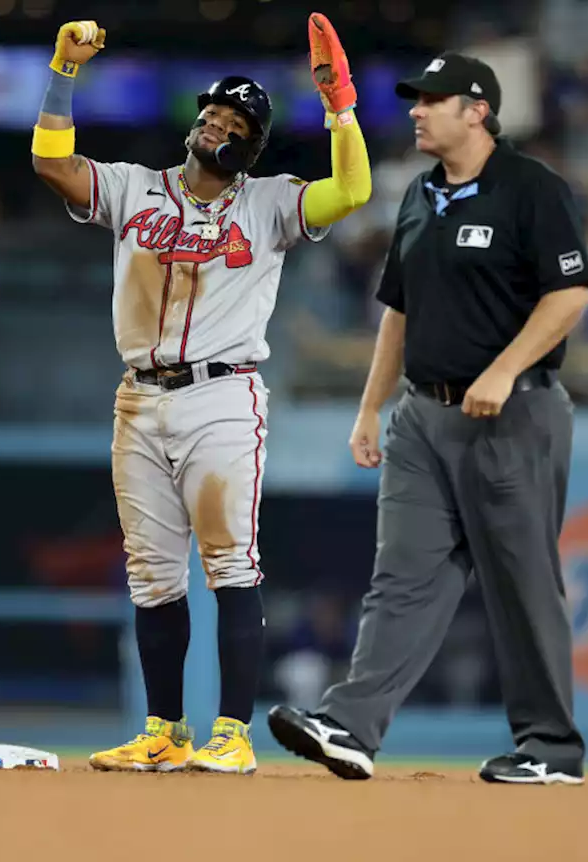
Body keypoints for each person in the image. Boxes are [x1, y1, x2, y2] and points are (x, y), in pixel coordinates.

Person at [30, 16, 372, 774]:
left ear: (251, 144)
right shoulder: (134, 188)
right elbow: (52, 164)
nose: (220, 121)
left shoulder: (270, 202)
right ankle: (163, 729)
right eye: (214, 111)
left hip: (223, 395)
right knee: (151, 573)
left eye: (237, 119)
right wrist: (64, 71)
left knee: (230, 567)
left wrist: (338, 104)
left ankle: (233, 735)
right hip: (140, 397)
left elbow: (352, 189)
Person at [267, 51, 588, 785]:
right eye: (416, 99)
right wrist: (368, 410)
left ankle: (551, 748)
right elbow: (399, 311)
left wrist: (506, 370)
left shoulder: (530, 188)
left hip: (514, 414)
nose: (417, 110)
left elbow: (572, 293)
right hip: (421, 417)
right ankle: (351, 725)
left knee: (521, 582)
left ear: (477, 110)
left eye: (433, 100)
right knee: (402, 577)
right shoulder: (419, 196)